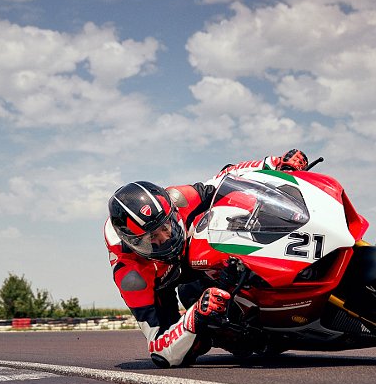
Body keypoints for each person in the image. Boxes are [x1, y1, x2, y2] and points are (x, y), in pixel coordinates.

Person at [104, 149, 311, 368]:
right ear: (134, 243)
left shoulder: (179, 198)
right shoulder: (131, 275)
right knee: (190, 346)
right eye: (152, 238)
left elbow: (225, 177)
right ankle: (240, 334)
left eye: (166, 226)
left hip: (191, 256)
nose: (166, 238)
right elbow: (159, 349)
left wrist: (274, 164)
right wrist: (195, 316)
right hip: (160, 282)